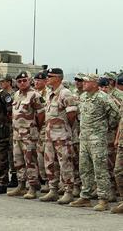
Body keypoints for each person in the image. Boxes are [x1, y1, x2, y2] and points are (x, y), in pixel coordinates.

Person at [69, 73, 120, 211]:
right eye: (83, 81)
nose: (83, 83)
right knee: (84, 168)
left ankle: (103, 199)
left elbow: (116, 114)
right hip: (84, 138)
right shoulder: (83, 97)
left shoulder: (103, 98)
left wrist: (106, 127)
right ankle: (85, 196)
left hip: (98, 139)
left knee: (100, 170)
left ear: (95, 83)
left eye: (86, 81)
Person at [40, 68, 78, 204]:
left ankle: (68, 191)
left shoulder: (65, 93)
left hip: (62, 136)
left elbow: (72, 115)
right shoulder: (50, 93)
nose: (48, 77)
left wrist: (65, 129)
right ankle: (53, 190)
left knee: (65, 165)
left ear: (58, 78)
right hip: (50, 136)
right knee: (50, 164)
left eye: (50, 76)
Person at [7, 71, 45, 199]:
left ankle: (32, 187)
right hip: (17, 134)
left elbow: (41, 114)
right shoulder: (16, 94)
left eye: (25, 80)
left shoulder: (35, 95)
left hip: (29, 134)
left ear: (29, 81)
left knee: (30, 161)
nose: (22, 83)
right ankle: (21, 185)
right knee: (18, 161)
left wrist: (35, 129)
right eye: (19, 81)